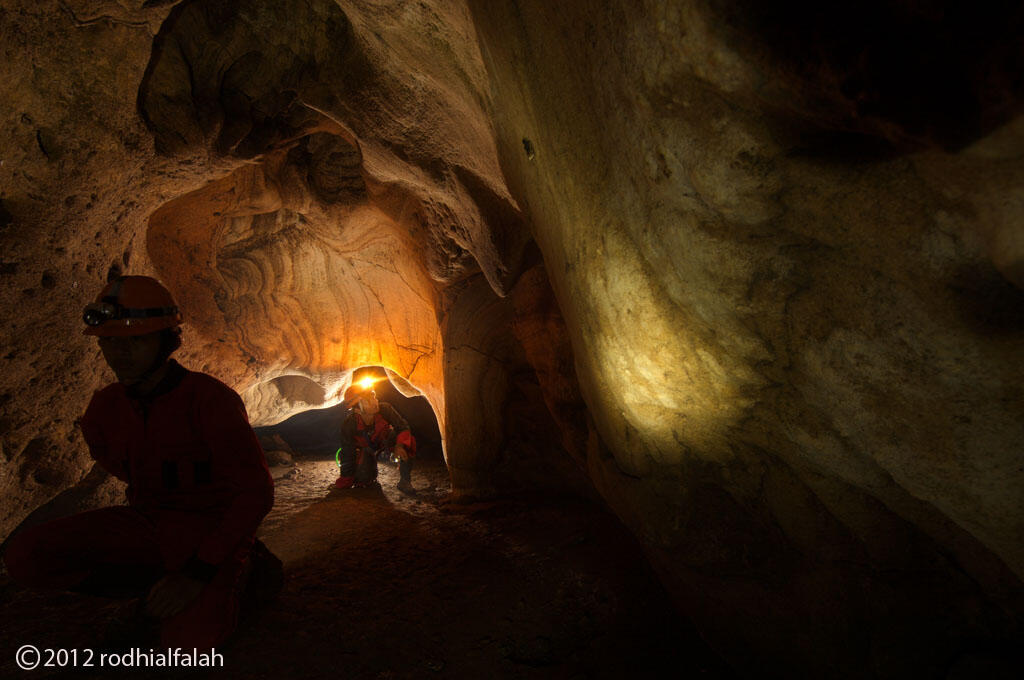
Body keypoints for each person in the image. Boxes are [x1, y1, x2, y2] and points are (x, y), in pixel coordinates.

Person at [2, 275, 277, 648]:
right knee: (25, 556)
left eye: (136, 340)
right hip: (148, 523)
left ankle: (246, 573)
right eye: (110, 343)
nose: (120, 354)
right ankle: (154, 590)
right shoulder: (105, 407)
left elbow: (255, 493)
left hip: (210, 533)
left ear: (166, 342)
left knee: (185, 650)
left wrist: (199, 570)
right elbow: (112, 459)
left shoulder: (209, 400)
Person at [334, 382, 417, 493]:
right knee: (363, 480)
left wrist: (400, 445)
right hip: (365, 450)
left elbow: (402, 427)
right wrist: (345, 479)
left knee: (408, 440)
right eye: (368, 400)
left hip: (384, 442)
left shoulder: (385, 409)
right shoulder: (349, 425)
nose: (375, 401)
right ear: (357, 409)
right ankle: (368, 472)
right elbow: (347, 453)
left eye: (374, 397)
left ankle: (405, 481)